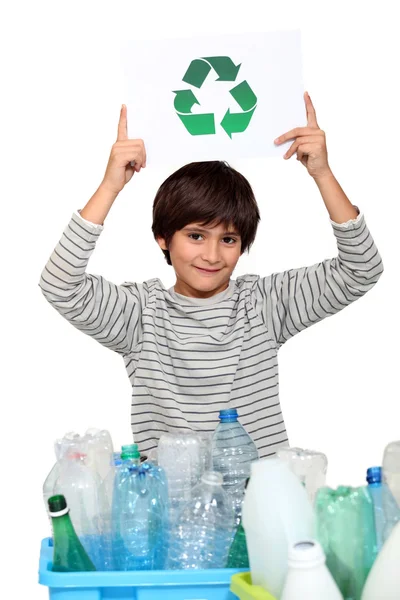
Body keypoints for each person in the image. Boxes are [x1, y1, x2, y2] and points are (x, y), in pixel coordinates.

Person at [39, 92, 383, 458]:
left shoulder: (264, 303)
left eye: (229, 239)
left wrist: (322, 173)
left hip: (261, 503)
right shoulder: (141, 314)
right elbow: (60, 284)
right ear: (163, 238)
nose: (212, 255)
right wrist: (110, 186)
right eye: (196, 235)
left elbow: (361, 268)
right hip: (173, 506)